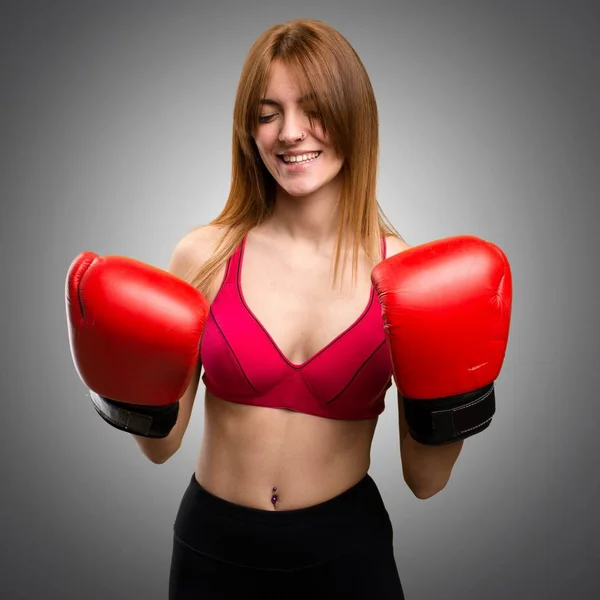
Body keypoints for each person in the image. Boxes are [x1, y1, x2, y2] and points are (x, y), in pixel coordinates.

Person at [65, 19, 512, 599]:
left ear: (356, 116)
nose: (290, 133)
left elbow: (425, 481)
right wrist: (122, 379)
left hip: (345, 554)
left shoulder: (409, 278)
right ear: (249, 129)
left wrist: (458, 396)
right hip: (211, 548)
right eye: (268, 112)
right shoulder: (206, 254)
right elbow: (161, 445)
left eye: (315, 108)